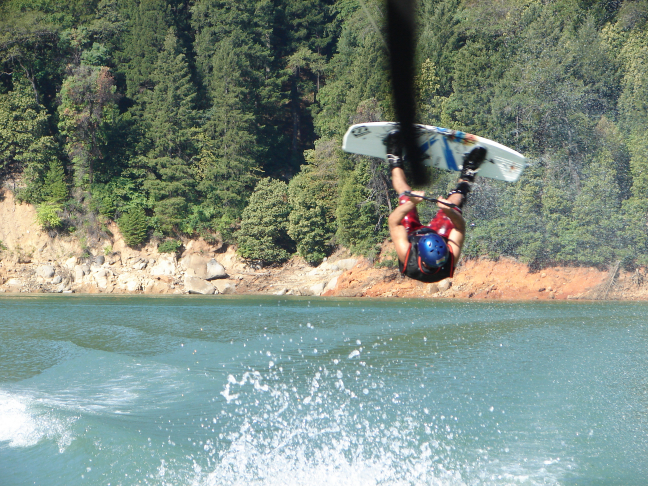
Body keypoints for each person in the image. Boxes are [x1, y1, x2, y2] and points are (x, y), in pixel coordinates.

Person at [385, 130, 486, 283]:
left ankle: (394, 157)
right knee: (454, 204)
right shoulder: (450, 257)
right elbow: (460, 228)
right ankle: (468, 173)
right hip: (438, 237)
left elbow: (393, 222)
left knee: (405, 194)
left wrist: (412, 202)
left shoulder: (407, 253)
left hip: (411, 234)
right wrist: (448, 210)